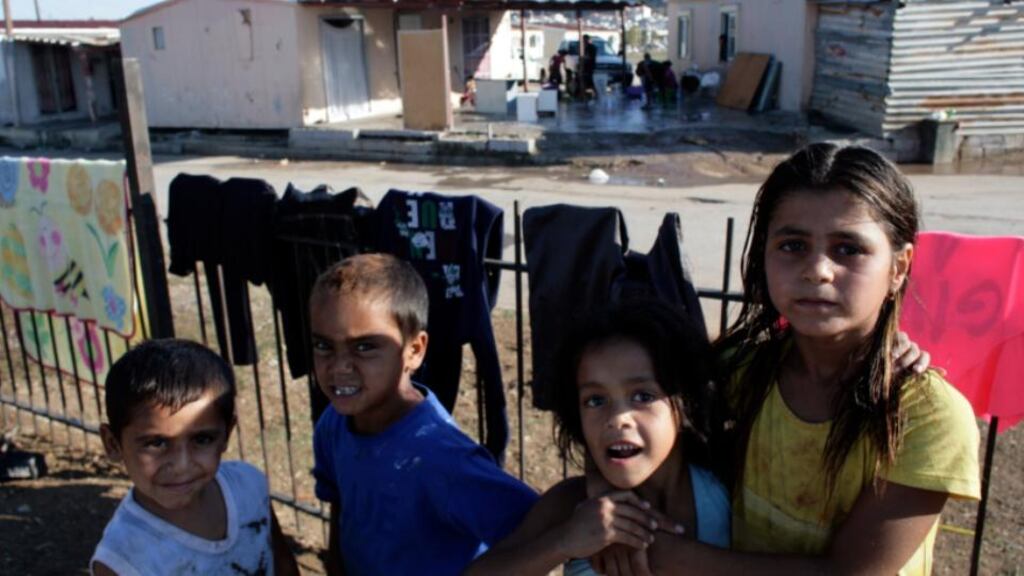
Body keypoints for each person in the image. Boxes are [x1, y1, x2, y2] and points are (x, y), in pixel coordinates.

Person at [634, 144, 981, 575]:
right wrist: (606, 493)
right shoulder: (734, 371)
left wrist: (671, 557)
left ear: (899, 266)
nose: (818, 269)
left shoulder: (925, 415)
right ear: (764, 254)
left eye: (848, 249)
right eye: (793, 244)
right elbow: (623, 414)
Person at [309, 253, 538, 576]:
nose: (339, 367)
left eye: (364, 347)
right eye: (323, 346)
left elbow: (535, 529)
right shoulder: (334, 424)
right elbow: (340, 505)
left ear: (414, 351)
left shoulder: (441, 457)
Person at [465, 299, 730, 576]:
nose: (617, 418)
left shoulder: (731, 487)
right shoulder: (572, 505)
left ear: (686, 403)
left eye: (643, 396)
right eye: (595, 400)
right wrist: (564, 542)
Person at [91, 339, 298, 576]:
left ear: (226, 434)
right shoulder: (122, 560)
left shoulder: (248, 487)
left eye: (202, 440)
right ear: (113, 444)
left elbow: (282, 562)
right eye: (156, 443)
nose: (182, 465)